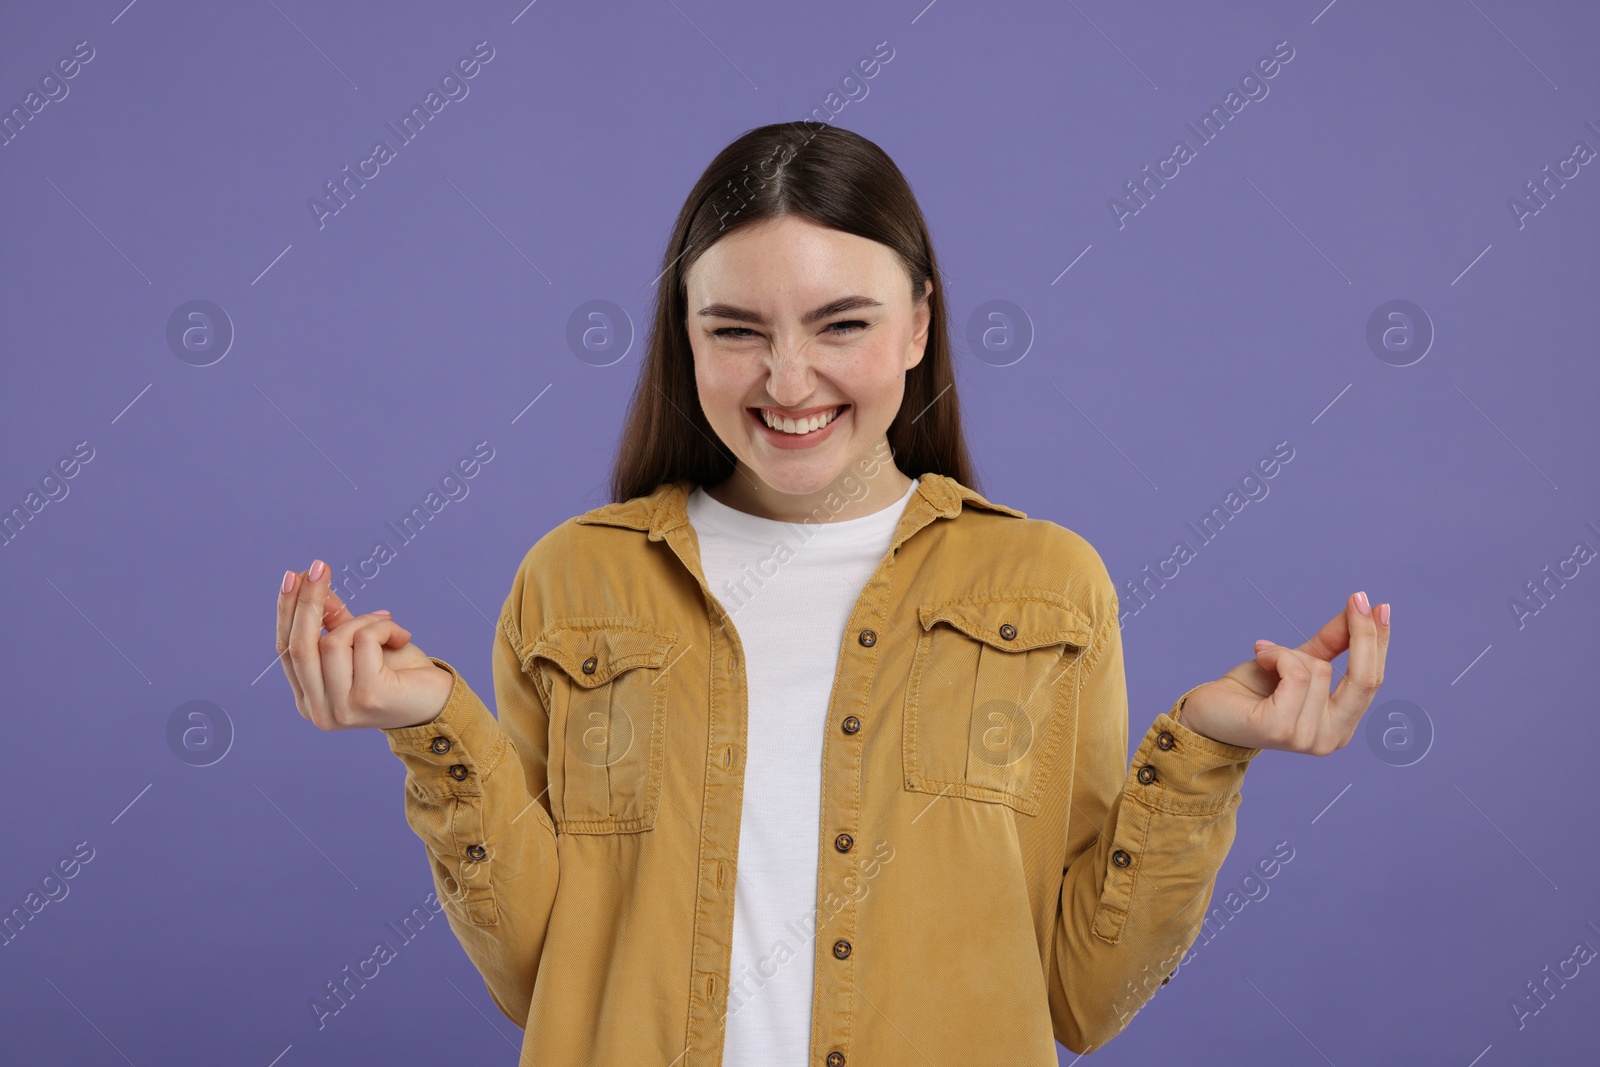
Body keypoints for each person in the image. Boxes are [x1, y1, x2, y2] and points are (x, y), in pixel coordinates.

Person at [274, 121, 1391, 1066]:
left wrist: (1205, 747)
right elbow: (543, 977)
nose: (788, 379)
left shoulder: (1047, 584)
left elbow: (1082, 995)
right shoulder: (575, 579)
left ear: (916, 324)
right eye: (736, 330)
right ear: (685, 337)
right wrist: (431, 725)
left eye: (840, 323)